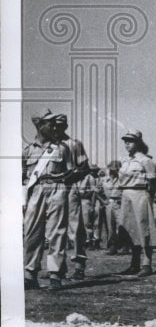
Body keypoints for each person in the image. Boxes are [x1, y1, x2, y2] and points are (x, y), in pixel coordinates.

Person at [22, 109, 72, 290]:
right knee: (32, 232)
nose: (53, 126)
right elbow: (21, 175)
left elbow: (71, 170)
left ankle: (55, 275)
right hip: (35, 190)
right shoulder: (28, 149)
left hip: (57, 188)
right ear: (39, 125)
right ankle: (30, 274)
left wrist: (63, 186)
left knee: (57, 232)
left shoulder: (62, 148)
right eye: (49, 123)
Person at [52, 113, 90, 280]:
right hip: (52, 190)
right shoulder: (49, 145)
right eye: (54, 125)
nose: (56, 128)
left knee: (75, 228)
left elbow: (85, 167)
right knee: (54, 229)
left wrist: (69, 178)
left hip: (69, 187)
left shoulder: (74, 144)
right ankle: (58, 268)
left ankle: (79, 264)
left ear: (65, 126)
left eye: (60, 125)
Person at [117, 130, 156, 277]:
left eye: (131, 140)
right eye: (125, 140)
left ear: (138, 142)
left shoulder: (145, 160)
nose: (127, 143)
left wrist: (150, 197)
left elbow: (153, 181)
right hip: (126, 195)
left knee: (143, 229)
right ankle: (134, 264)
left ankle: (147, 264)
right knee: (129, 229)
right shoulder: (124, 160)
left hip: (140, 193)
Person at [99, 160, 123, 254]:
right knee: (110, 226)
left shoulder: (122, 179)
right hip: (109, 204)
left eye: (116, 169)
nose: (114, 171)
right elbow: (96, 191)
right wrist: (103, 200)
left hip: (120, 203)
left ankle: (124, 245)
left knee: (121, 225)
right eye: (112, 169)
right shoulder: (104, 180)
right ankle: (112, 246)